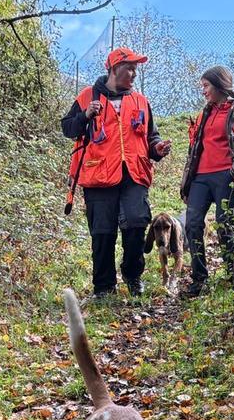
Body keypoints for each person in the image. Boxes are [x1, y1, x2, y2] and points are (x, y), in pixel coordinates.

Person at [62, 47, 172, 298]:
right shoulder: (87, 96)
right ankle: (104, 287)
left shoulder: (141, 101)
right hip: (98, 176)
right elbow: (67, 128)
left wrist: (158, 148)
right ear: (112, 69)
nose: (134, 73)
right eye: (129, 68)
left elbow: (150, 136)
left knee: (136, 224)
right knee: (102, 232)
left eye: (136, 68)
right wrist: (85, 115)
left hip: (134, 174)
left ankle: (133, 277)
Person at [179, 65, 234, 298]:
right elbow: (194, 150)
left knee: (224, 223)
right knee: (192, 224)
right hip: (200, 178)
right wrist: (187, 180)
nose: (203, 91)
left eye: (206, 86)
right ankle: (199, 279)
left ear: (219, 85)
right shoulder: (203, 114)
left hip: (226, 177)